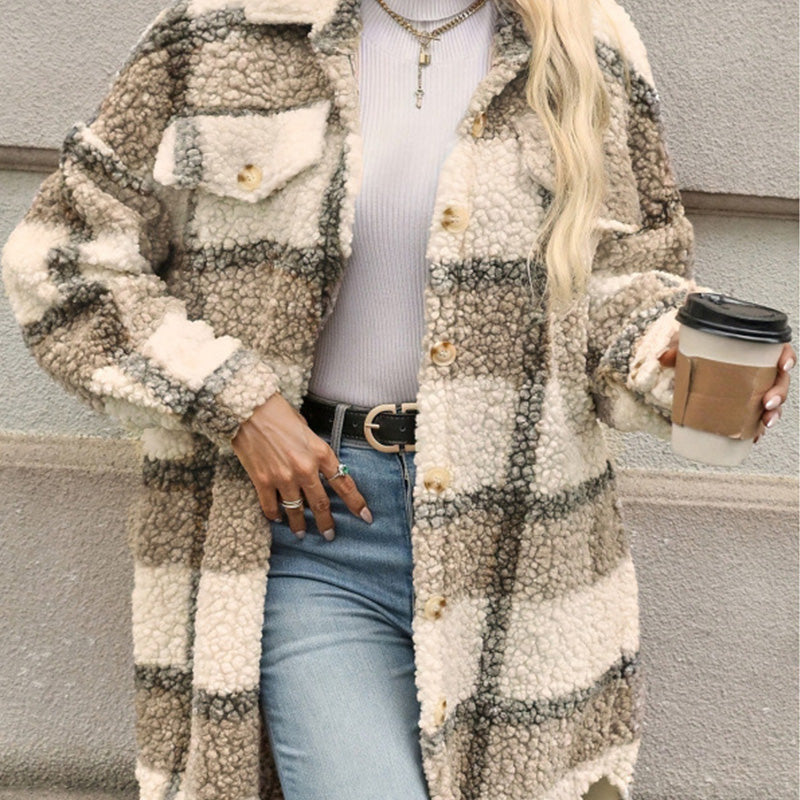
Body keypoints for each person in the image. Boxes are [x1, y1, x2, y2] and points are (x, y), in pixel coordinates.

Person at [1, 0, 794, 799]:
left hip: (516, 545)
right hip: (312, 530)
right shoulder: (224, 28)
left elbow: (625, 281)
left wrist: (681, 359)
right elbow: (61, 260)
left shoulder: (587, 41)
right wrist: (236, 404)